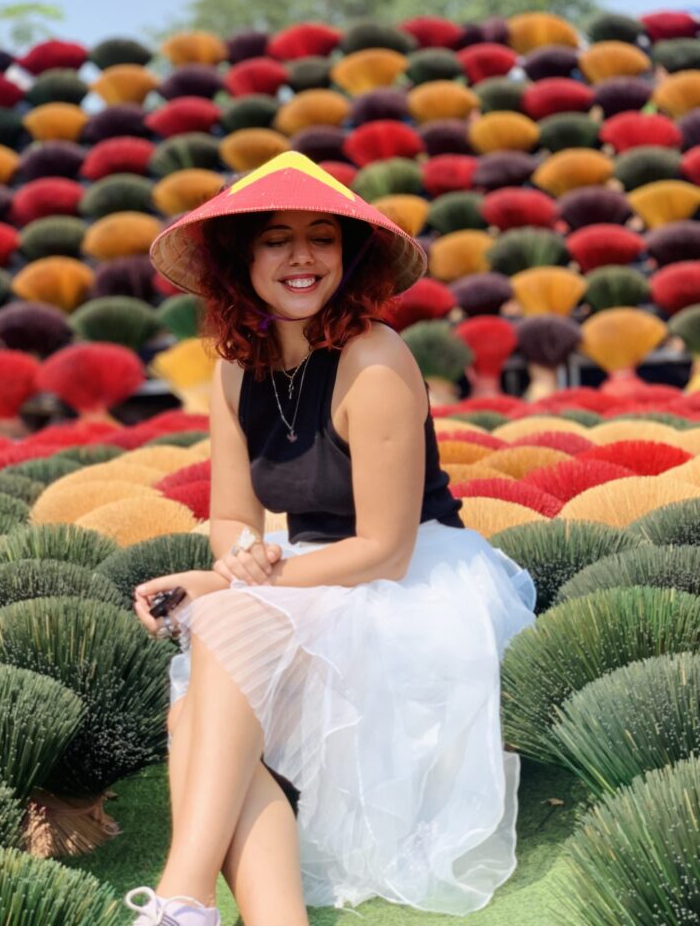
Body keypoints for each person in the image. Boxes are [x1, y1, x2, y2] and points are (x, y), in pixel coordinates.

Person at [126, 152, 536, 926]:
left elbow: (387, 549)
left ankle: (180, 896)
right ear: (241, 258)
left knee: (216, 649)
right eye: (277, 239)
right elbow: (233, 515)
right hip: (312, 572)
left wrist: (226, 583)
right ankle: (246, 916)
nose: (302, 257)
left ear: (350, 259)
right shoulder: (232, 371)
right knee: (201, 711)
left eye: (323, 238)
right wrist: (236, 555)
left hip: (415, 582)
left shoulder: (374, 361)